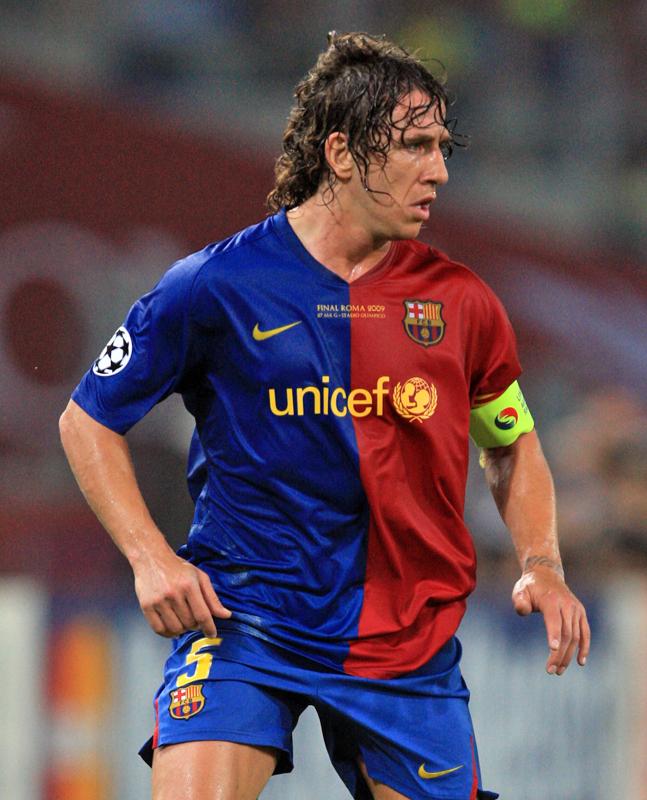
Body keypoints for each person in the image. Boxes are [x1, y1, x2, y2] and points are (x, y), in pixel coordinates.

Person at [59, 32, 590, 800]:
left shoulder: (462, 303)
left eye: (441, 148)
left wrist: (542, 564)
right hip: (246, 622)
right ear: (341, 152)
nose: (438, 171)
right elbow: (88, 418)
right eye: (414, 146)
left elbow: (510, 444)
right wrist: (149, 557)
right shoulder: (214, 285)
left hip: (405, 648)